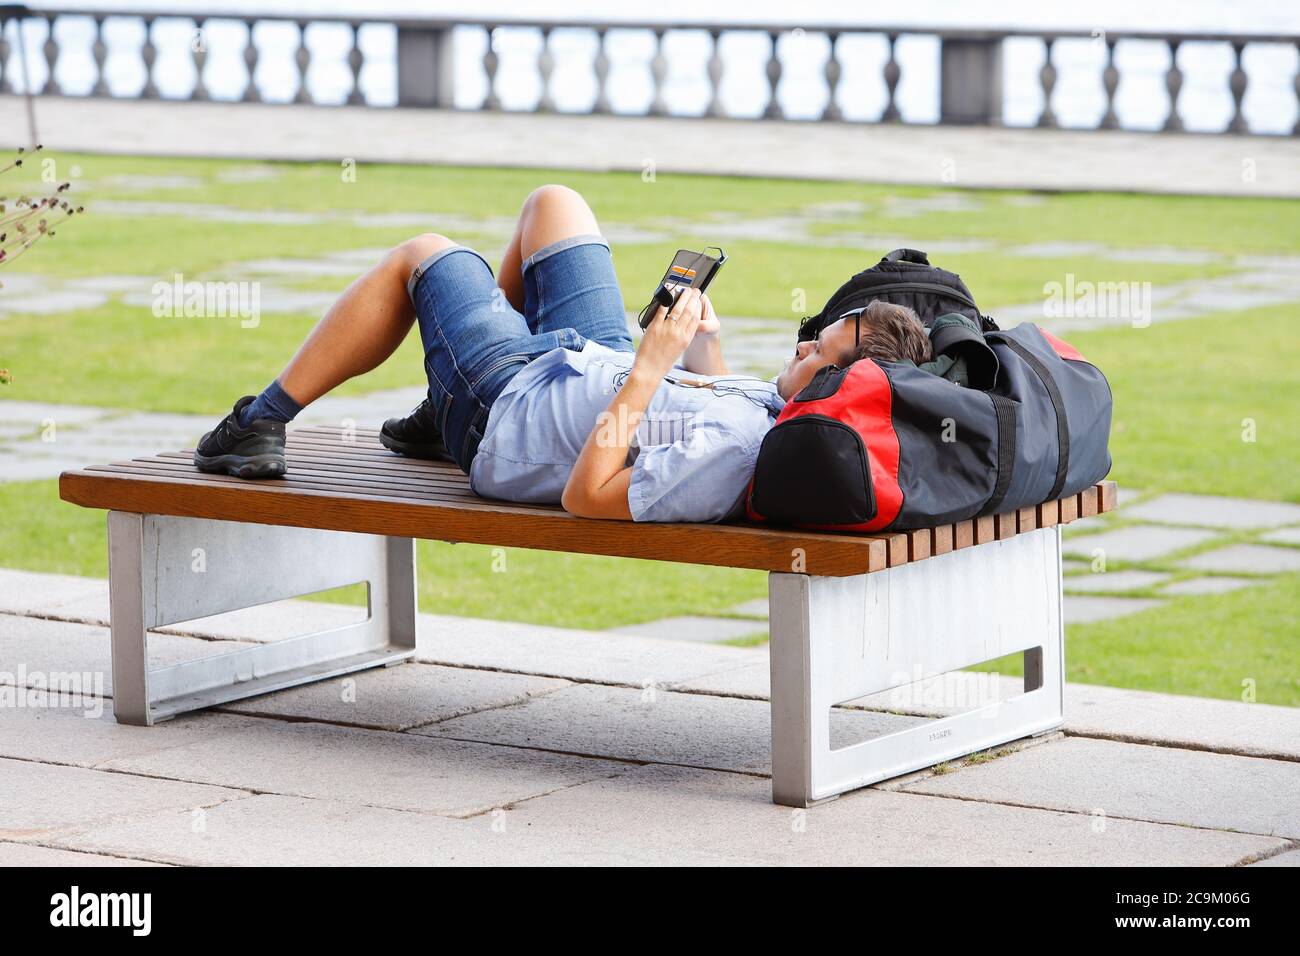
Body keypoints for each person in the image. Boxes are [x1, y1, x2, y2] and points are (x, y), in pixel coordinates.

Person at [195, 185, 931, 522]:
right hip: (585, 362)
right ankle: (435, 403)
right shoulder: (776, 411)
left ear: (830, 386)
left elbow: (589, 497)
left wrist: (649, 367)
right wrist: (701, 347)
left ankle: (260, 423)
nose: (802, 343)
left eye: (816, 349)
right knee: (555, 204)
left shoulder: (737, 455)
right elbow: (692, 403)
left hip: (509, 415)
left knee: (425, 256)